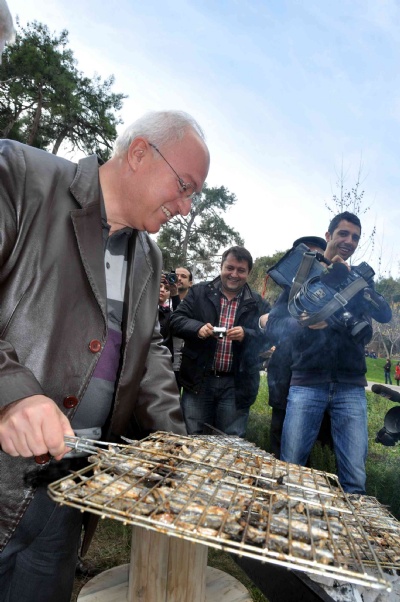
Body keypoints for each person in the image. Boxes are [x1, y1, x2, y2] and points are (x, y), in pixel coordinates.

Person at [0, 110, 210, 602]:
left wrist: (172, 446)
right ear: (138, 153)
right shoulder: (22, 176)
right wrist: (10, 393)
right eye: (184, 185)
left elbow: (150, 351)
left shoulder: (149, 256)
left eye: (193, 196)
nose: (185, 206)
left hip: (68, 489)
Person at [266, 212, 392, 493]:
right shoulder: (304, 277)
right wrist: (303, 322)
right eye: (344, 234)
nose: (349, 241)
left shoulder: (358, 280)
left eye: (355, 237)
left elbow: (384, 314)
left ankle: (353, 530)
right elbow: (274, 324)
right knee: (291, 468)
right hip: (306, 382)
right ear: (329, 236)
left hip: (351, 387)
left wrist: (353, 281)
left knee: (355, 477)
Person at [170, 246, 270, 437]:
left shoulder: (258, 302)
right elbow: (175, 321)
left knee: (230, 440)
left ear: (248, 273)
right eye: (230, 268)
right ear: (221, 267)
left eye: (241, 270)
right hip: (199, 380)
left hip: (236, 384)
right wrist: (198, 328)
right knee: (193, 438)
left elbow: (272, 335)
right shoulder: (199, 292)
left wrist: (246, 334)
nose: (234, 274)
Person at [262, 236, 328, 459]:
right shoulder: (287, 293)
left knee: (319, 449)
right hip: (284, 381)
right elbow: (272, 325)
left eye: (318, 257)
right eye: (306, 256)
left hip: (320, 385)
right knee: (281, 445)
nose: (312, 262)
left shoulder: (333, 295)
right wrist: (299, 321)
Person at [171, 266, 193, 385]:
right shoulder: (160, 297)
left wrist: (175, 295)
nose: (178, 279)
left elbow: (179, 321)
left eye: (183, 276)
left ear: (190, 283)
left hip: (181, 362)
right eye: (176, 275)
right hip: (161, 358)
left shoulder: (193, 305)